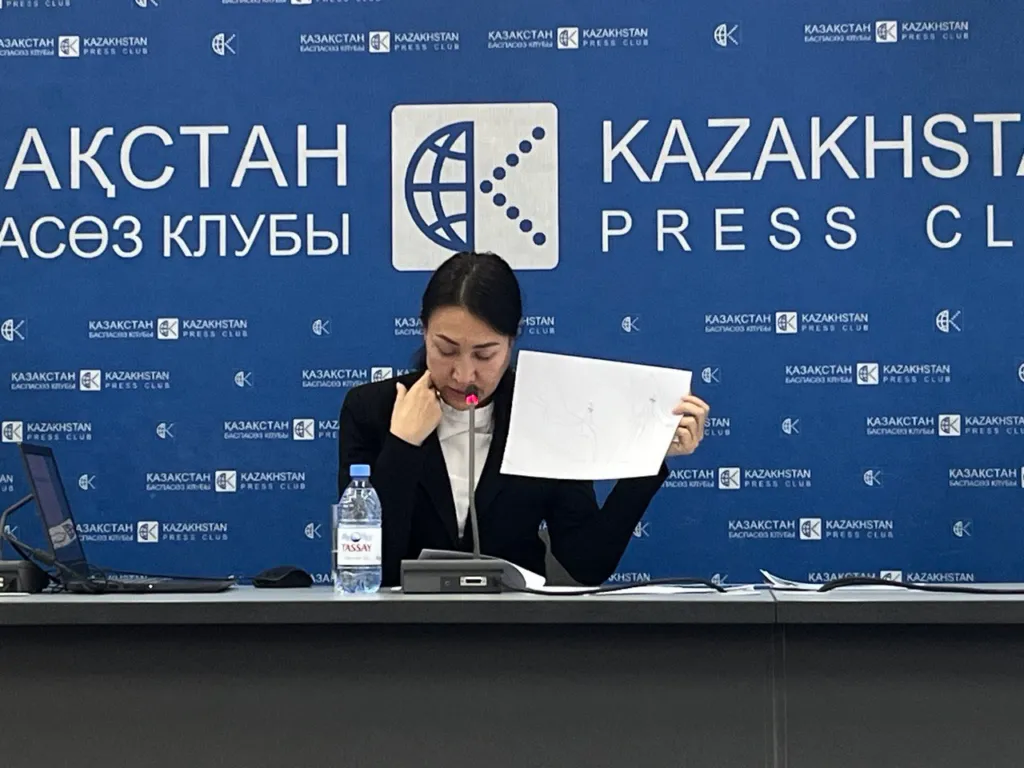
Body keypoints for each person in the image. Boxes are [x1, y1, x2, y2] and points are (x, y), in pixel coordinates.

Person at [337, 251, 710, 587]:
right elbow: (366, 567)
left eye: (484, 355)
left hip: (516, 630)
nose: (464, 374)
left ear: (512, 341)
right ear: (423, 331)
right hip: (402, 631)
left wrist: (648, 458)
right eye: (446, 350)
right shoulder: (371, 410)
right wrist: (402, 445)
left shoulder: (546, 409)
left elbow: (587, 562)